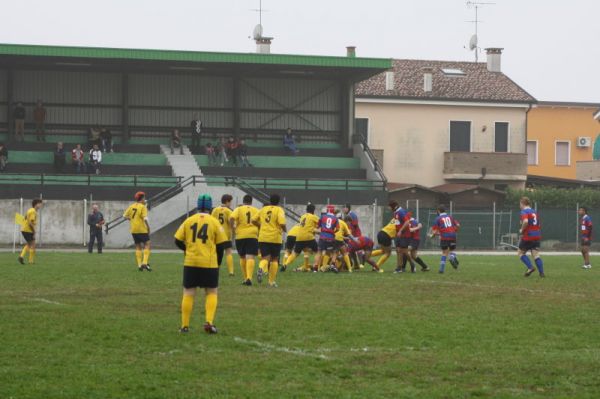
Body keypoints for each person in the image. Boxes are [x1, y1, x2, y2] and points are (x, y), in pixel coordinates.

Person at [175, 194, 227, 334]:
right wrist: (218, 262)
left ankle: (184, 326)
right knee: (211, 291)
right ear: (211, 207)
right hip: (209, 263)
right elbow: (221, 245)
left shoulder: (189, 220)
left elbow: (177, 240)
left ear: (197, 206)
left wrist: (187, 249)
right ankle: (209, 322)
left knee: (188, 292)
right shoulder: (214, 222)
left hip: (191, 261)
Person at [252, 193, 287, 287]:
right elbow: (282, 222)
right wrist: (284, 230)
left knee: (265, 258)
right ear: (278, 202)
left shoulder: (263, 209)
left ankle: (260, 268)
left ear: (270, 200)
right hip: (275, 238)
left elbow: (253, 220)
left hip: (263, 237)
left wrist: (260, 226)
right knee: (274, 259)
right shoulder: (279, 209)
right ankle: (271, 282)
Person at [230, 195, 260, 285]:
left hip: (240, 235)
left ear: (243, 201)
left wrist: (233, 228)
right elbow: (260, 222)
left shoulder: (238, 209)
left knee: (242, 257)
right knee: (250, 257)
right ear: (251, 201)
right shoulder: (256, 210)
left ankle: (245, 277)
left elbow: (231, 218)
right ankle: (249, 278)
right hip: (252, 235)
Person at [284, 203, 319, 272]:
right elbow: (321, 223)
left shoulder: (302, 216)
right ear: (313, 210)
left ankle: (285, 264)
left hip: (299, 237)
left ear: (306, 210)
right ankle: (315, 267)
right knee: (318, 252)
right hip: (309, 237)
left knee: (295, 253)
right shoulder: (313, 217)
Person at [370, 200, 403, 272]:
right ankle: (376, 266)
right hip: (386, 235)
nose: (390, 209)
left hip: (381, 233)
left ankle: (366, 255)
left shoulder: (395, 218)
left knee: (383, 251)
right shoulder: (400, 219)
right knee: (388, 253)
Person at [123, 191, 152, 271]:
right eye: (144, 198)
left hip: (133, 229)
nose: (145, 199)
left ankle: (139, 265)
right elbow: (145, 218)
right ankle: (145, 263)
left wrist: (131, 220)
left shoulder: (131, 206)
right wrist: (148, 227)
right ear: (142, 198)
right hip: (141, 229)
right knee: (147, 243)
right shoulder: (143, 207)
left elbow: (124, 216)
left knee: (138, 246)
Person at [516, 197, 544, 277]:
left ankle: (530, 267)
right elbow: (538, 224)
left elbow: (525, 221)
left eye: (520, 204)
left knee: (520, 253)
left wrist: (521, 229)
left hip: (528, 236)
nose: (519, 206)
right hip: (537, 235)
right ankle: (541, 273)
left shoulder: (524, 211)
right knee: (536, 255)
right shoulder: (534, 212)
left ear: (523, 203)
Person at [429, 205, 461, 274]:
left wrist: (432, 236)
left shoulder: (437, 218)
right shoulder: (450, 217)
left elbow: (434, 231)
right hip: (452, 236)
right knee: (451, 250)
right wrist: (454, 231)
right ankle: (452, 257)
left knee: (444, 252)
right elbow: (458, 225)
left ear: (438, 211)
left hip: (444, 237)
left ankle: (441, 269)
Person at [211, 194, 234, 276]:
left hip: (217, 235)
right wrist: (232, 228)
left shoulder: (215, 210)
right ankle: (231, 271)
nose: (231, 203)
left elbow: (212, 222)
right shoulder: (229, 211)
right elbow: (230, 221)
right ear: (227, 201)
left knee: (217, 253)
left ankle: (216, 269)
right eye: (230, 201)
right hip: (226, 235)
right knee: (228, 252)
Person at [18, 199, 43, 265]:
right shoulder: (33, 211)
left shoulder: (30, 210)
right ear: (36, 204)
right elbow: (30, 223)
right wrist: (34, 231)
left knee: (30, 244)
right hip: (28, 230)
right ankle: (30, 261)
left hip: (24, 229)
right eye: (40, 203)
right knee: (33, 245)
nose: (41, 205)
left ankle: (21, 256)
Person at [316, 205, 339, 273]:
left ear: (327, 210)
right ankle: (330, 265)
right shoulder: (335, 218)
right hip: (330, 237)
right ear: (333, 211)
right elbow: (337, 229)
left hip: (322, 236)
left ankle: (316, 268)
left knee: (319, 252)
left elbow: (318, 226)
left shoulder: (322, 217)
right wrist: (333, 232)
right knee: (331, 252)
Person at [393, 206, 414, 273]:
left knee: (403, 251)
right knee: (398, 250)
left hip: (405, 235)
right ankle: (399, 267)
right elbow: (397, 223)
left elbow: (407, 223)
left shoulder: (402, 212)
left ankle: (412, 264)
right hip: (399, 235)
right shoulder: (396, 213)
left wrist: (401, 231)